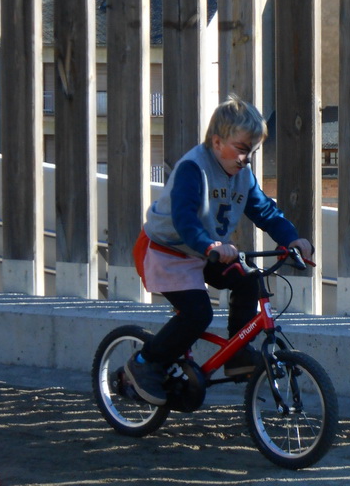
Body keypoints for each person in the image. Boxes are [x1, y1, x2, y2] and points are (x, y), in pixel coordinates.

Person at [127, 94, 314, 406]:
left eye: (252, 151)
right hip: (167, 252)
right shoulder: (193, 169)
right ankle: (145, 362)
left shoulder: (242, 176)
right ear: (216, 142)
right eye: (241, 149)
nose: (246, 159)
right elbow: (185, 219)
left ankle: (237, 353)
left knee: (249, 280)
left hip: (205, 252)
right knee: (198, 313)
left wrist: (291, 240)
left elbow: (265, 211)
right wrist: (210, 244)